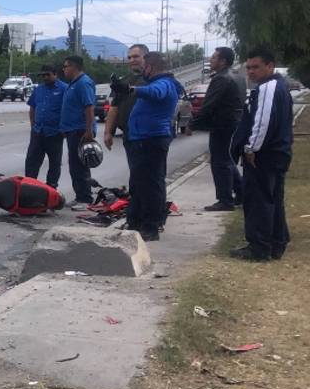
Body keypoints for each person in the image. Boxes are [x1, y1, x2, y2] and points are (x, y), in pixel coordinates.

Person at [230, 49, 294, 261]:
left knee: (258, 201)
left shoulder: (268, 87)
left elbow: (263, 122)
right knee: (273, 199)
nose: (251, 71)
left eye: (256, 67)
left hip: (263, 156)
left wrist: (251, 148)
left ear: (270, 66)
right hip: (277, 154)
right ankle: (276, 242)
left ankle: (258, 247)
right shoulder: (279, 87)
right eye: (248, 67)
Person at [118, 52, 182, 241]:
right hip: (143, 139)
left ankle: (151, 226)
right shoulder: (159, 82)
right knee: (139, 184)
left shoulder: (164, 83)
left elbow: (155, 93)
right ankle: (137, 221)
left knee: (150, 185)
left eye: (144, 65)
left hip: (151, 140)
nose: (142, 69)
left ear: (150, 67)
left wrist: (132, 89)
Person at [189, 46, 244, 211]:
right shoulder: (238, 76)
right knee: (227, 160)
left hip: (222, 124)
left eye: (214, 57)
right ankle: (241, 193)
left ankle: (225, 200)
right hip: (234, 123)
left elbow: (209, 105)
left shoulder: (221, 79)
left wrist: (193, 123)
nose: (210, 60)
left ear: (223, 61)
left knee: (219, 162)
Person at [59, 55, 97, 208]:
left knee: (80, 165)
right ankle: (80, 195)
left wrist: (88, 131)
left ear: (74, 67)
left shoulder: (83, 83)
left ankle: (85, 198)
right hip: (71, 130)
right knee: (74, 165)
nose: (64, 69)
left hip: (80, 130)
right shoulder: (73, 83)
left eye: (66, 66)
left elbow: (89, 107)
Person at [24, 65, 68, 187]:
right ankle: (29, 187)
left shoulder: (64, 89)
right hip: (38, 132)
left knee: (55, 163)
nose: (45, 77)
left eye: (48, 75)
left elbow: (68, 109)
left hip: (55, 133)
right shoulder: (39, 89)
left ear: (55, 74)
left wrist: (63, 129)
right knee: (31, 161)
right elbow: (32, 107)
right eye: (43, 75)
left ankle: (51, 189)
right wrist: (33, 125)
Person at [103, 43, 148, 150]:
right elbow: (114, 108)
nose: (132, 60)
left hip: (149, 136)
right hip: (129, 135)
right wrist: (108, 132)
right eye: (129, 57)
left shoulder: (154, 80)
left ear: (146, 57)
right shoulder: (124, 81)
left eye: (136, 56)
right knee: (135, 167)